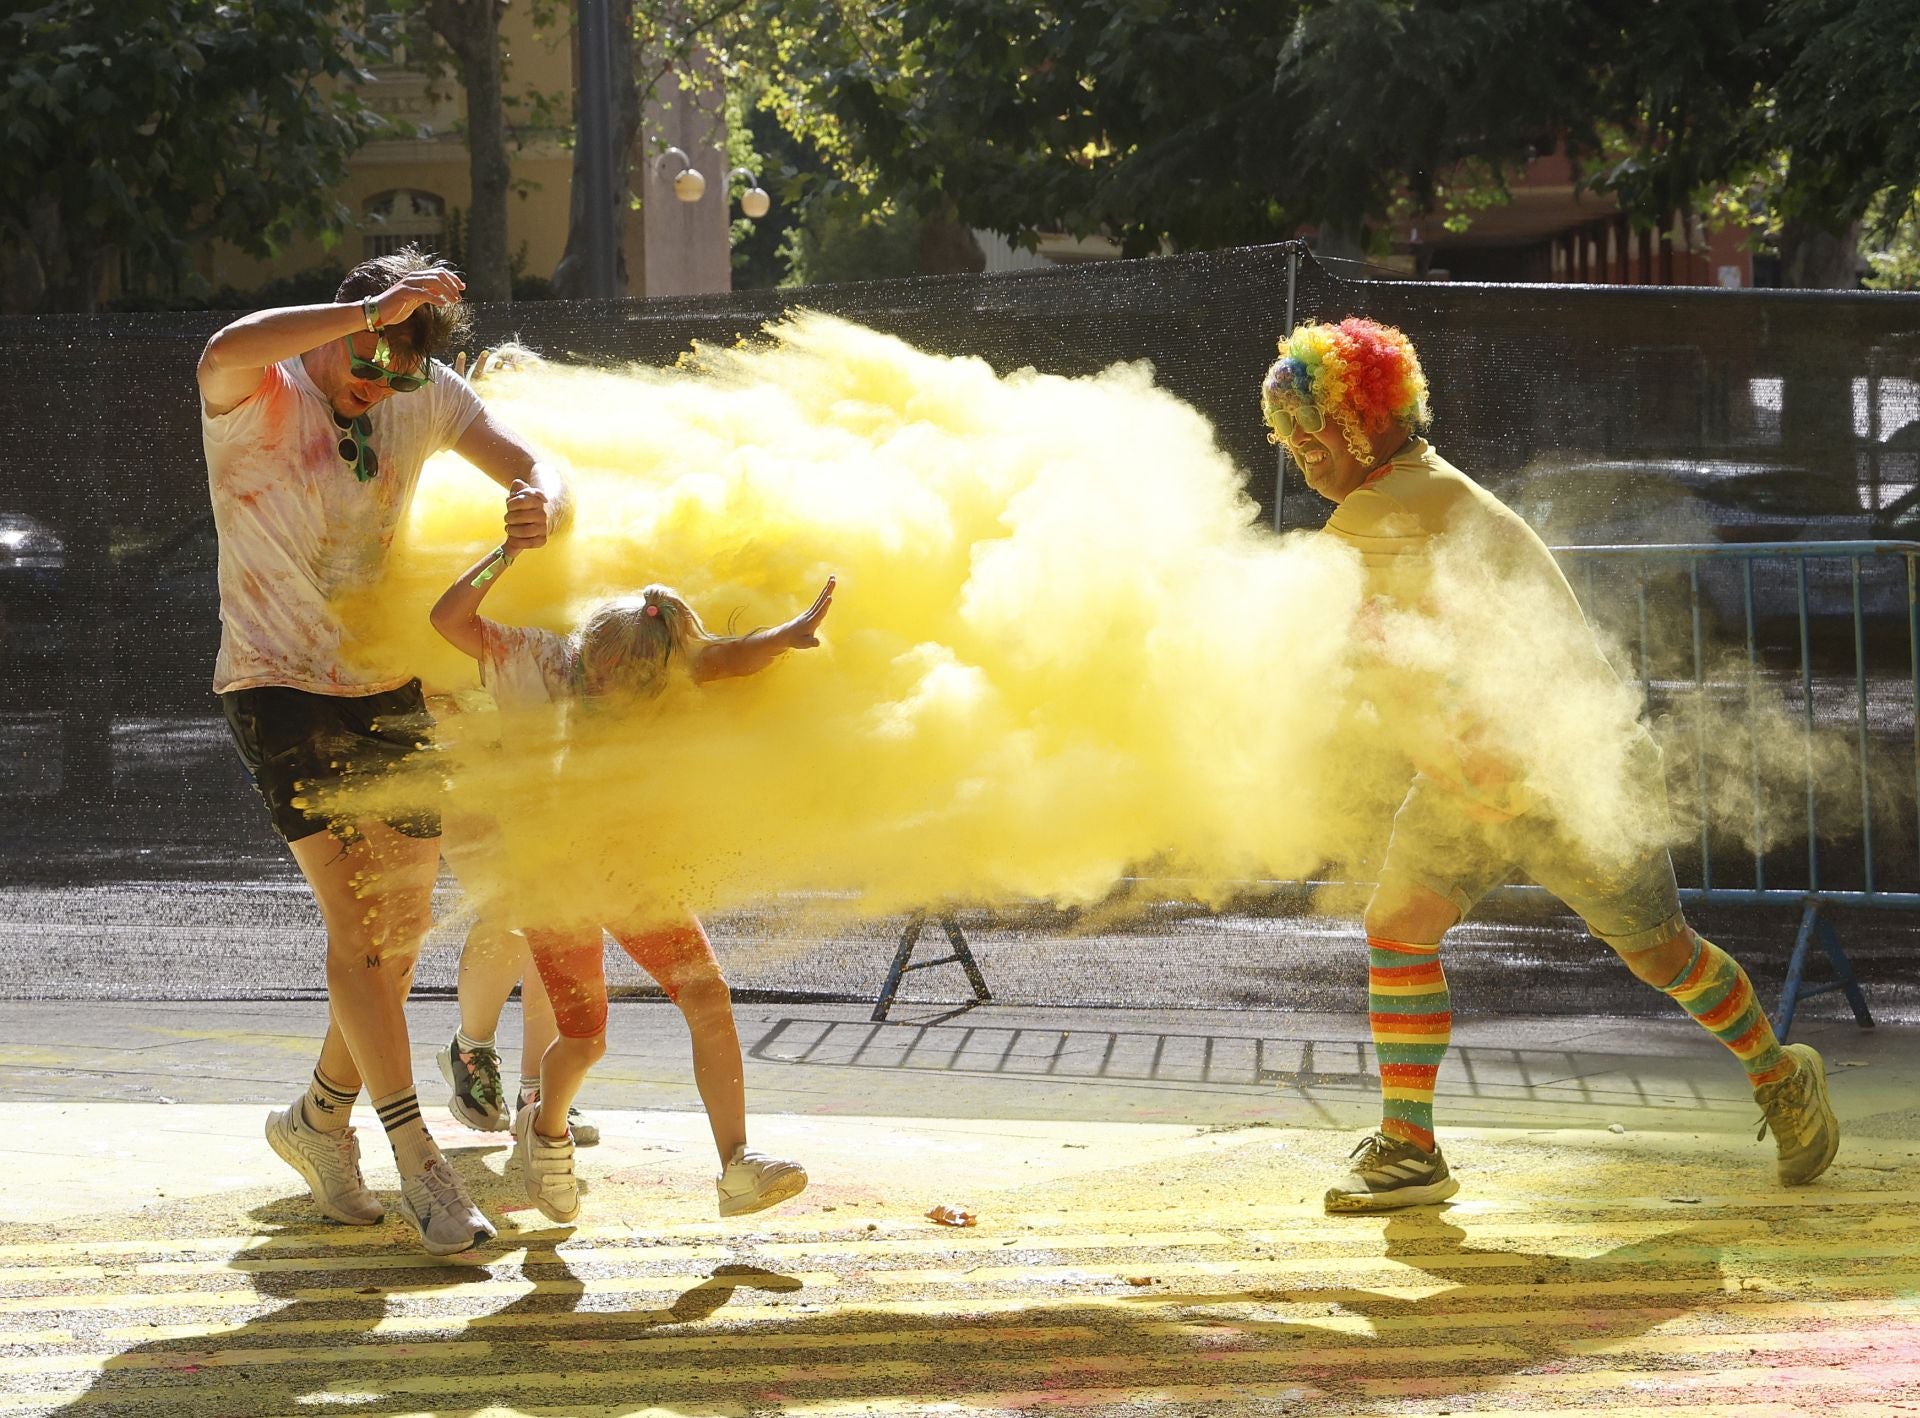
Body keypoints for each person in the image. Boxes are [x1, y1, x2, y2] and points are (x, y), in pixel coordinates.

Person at [1259, 316, 1840, 1213]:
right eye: (1284, 434)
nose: (1299, 450)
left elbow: (1283, 614)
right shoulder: (1385, 505)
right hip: (1464, 776)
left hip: (1567, 767)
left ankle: (1780, 1076)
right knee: (1399, 926)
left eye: (1312, 428)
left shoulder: (1398, 500)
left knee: (1662, 958)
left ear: (1366, 422)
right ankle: (1411, 1149)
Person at [198, 247, 568, 1254]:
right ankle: (420, 1165)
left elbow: (534, 460)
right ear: (342, 323)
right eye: (367, 356)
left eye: (400, 367)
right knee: (359, 933)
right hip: (275, 688)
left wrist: (543, 499)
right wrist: (369, 308)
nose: (378, 385)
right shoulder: (256, 386)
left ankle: (316, 1121)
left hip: (384, 685)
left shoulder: (422, 387)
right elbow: (224, 344)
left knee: (397, 942)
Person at [428, 537, 834, 1223]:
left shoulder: (662, 673)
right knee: (585, 1037)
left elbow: (726, 659)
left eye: (638, 686)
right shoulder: (538, 659)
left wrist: (787, 636)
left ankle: (737, 1166)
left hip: (634, 871)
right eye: (608, 673)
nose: (617, 691)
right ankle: (546, 1135)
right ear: (589, 652)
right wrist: (506, 553)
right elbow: (448, 620)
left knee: (707, 995)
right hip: (556, 878)